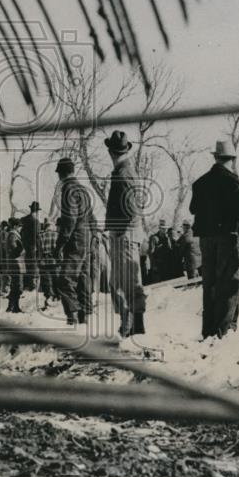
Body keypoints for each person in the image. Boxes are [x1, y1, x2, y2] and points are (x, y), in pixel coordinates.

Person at [189, 140, 239, 339]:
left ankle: (208, 330)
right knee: (229, 282)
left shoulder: (200, 182)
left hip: (206, 239)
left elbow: (193, 209)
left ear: (215, 157)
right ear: (232, 159)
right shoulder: (231, 180)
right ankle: (224, 330)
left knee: (210, 284)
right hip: (228, 238)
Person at [103, 131, 147, 337]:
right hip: (128, 234)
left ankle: (130, 325)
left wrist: (119, 233)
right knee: (126, 282)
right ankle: (134, 325)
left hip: (125, 235)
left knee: (122, 283)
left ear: (111, 152)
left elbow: (130, 210)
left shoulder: (123, 173)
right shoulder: (125, 170)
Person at [54, 157, 95, 326]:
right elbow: (91, 217)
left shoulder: (68, 189)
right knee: (84, 277)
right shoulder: (83, 189)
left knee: (65, 280)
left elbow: (69, 220)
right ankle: (85, 315)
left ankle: (73, 316)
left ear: (61, 174)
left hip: (75, 239)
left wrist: (60, 244)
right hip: (86, 238)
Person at [2, 218, 26, 313]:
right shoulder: (12, 235)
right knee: (17, 286)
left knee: (16, 286)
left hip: (16, 263)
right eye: (19, 226)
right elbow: (13, 250)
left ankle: (14, 307)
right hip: (16, 264)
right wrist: (22, 249)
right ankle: (12, 307)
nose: (20, 228)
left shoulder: (13, 235)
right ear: (15, 226)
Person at [20, 202, 42, 296]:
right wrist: (40, 249)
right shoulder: (36, 221)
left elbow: (22, 233)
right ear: (37, 211)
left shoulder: (24, 220)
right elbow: (37, 236)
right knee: (33, 267)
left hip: (24, 247)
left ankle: (27, 285)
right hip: (33, 247)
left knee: (26, 266)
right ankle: (32, 287)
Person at [38, 219, 57, 306]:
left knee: (46, 280)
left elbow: (38, 250)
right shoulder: (57, 235)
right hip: (55, 260)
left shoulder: (40, 236)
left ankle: (48, 297)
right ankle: (56, 297)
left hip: (44, 261)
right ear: (52, 227)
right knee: (55, 279)